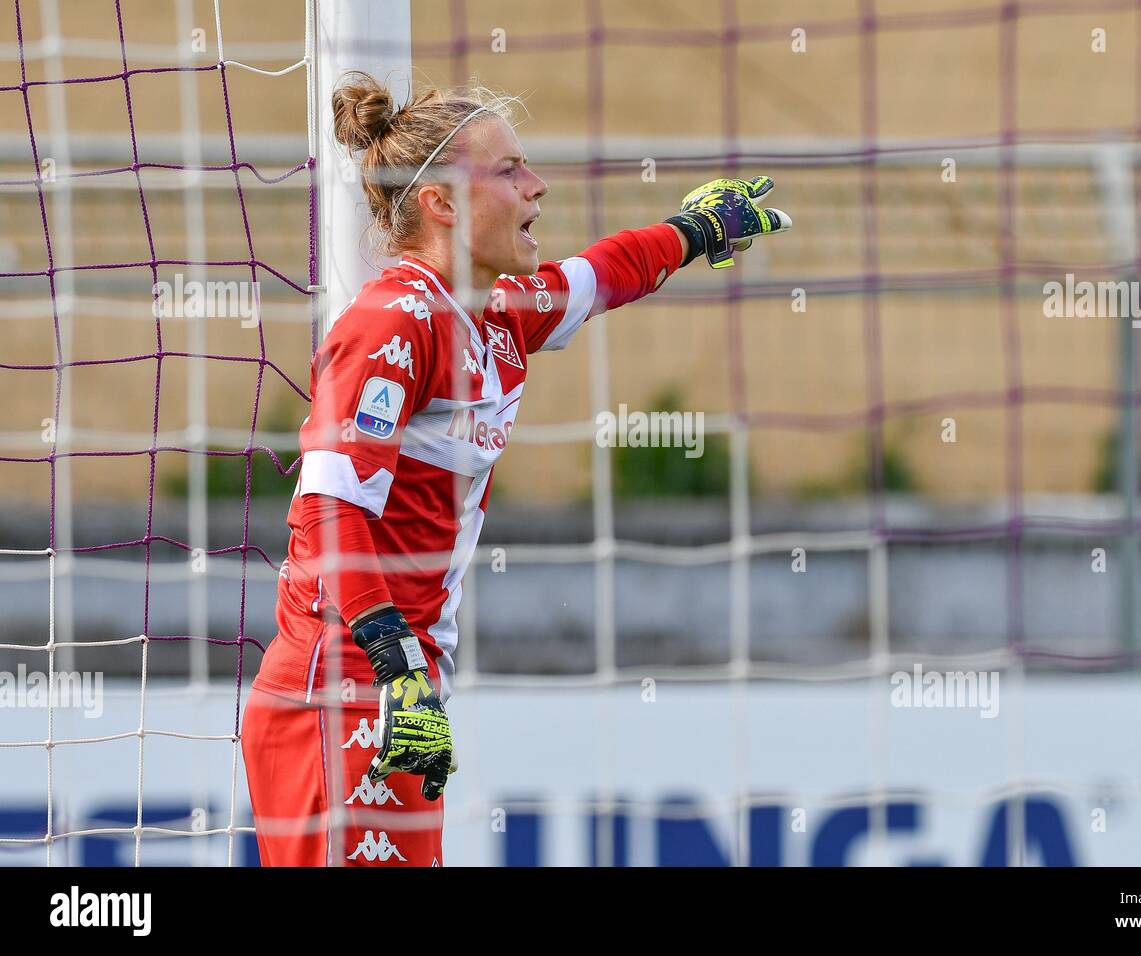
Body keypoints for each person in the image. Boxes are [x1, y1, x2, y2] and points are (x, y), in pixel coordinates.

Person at [240, 71, 791, 866]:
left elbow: (605, 273)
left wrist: (696, 230)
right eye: (509, 170)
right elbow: (325, 514)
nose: (538, 185)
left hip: (398, 690)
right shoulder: (395, 322)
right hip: (346, 688)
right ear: (442, 203)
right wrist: (397, 665)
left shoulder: (500, 315)